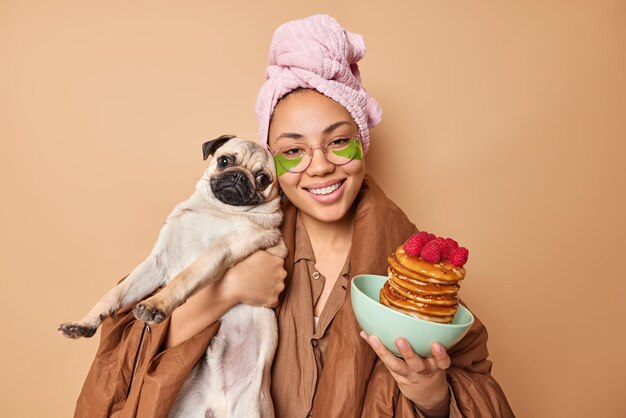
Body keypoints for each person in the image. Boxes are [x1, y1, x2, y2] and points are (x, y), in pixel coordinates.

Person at [75, 14, 514, 418]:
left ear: (363, 143)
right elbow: (132, 347)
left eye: (339, 141)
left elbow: (473, 382)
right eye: (292, 151)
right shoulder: (237, 230)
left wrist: (430, 395)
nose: (320, 165)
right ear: (273, 162)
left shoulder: (410, 265)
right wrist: (228, 290)